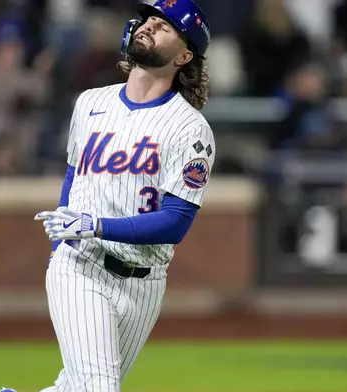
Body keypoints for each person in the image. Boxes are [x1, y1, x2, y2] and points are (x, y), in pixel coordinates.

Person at [29, 1, 215, 391]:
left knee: (76, 388)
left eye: (164, 26)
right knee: (99, 387)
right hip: (81, 266)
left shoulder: (190, 129)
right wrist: (61, 247)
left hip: (145, 283)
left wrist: (95, 224)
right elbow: (73, 176)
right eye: (148, 19)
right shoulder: (91, 103)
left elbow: (176, 221)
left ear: (184, 56)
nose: (149, 26)